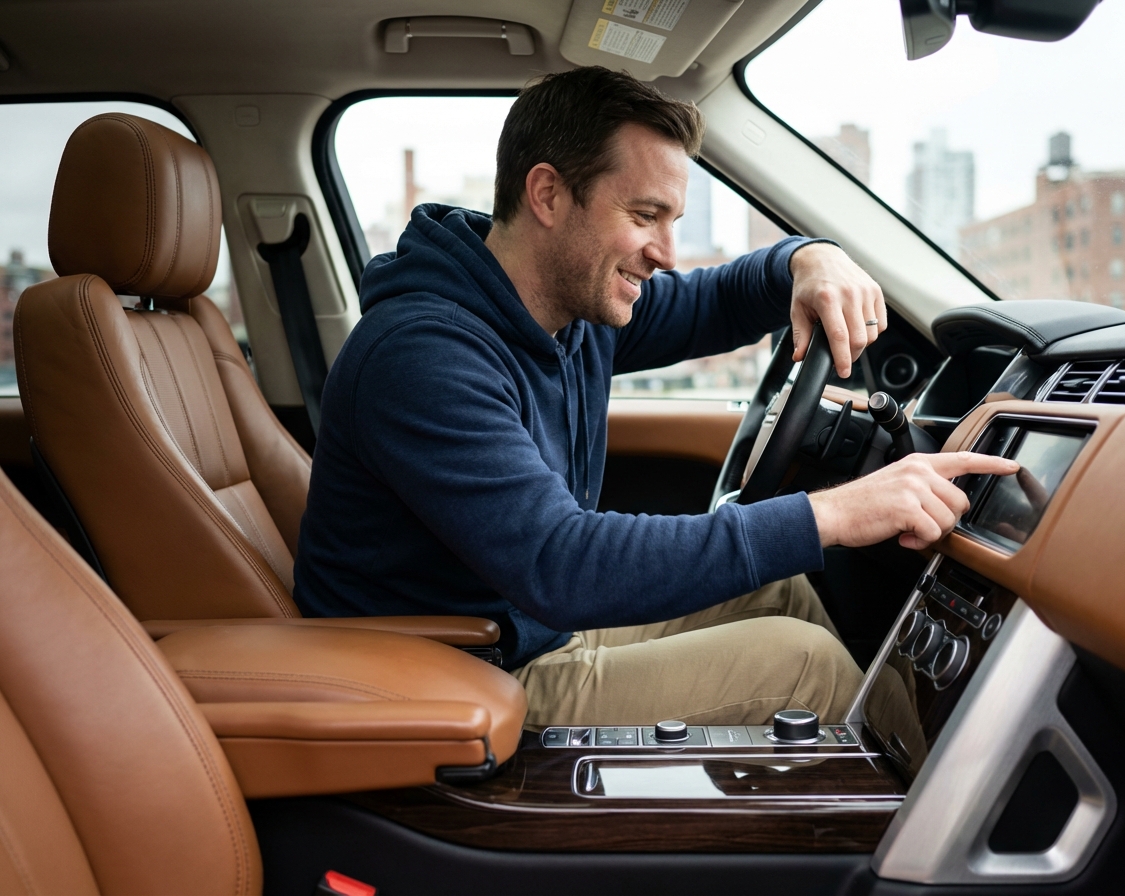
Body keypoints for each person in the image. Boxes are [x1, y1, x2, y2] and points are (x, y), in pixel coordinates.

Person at [293, 67, 1016, 731]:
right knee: (806, 666)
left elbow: (720, 298)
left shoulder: (565, 309)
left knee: (786, 591)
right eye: (645, 216)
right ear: (547, 194)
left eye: (673, 220)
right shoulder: (424, 355)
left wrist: (810, 258)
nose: (667, 252)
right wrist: (833, 512)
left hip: (517, 622)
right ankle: (925, 850)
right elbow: (562, 562)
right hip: (458, 669)